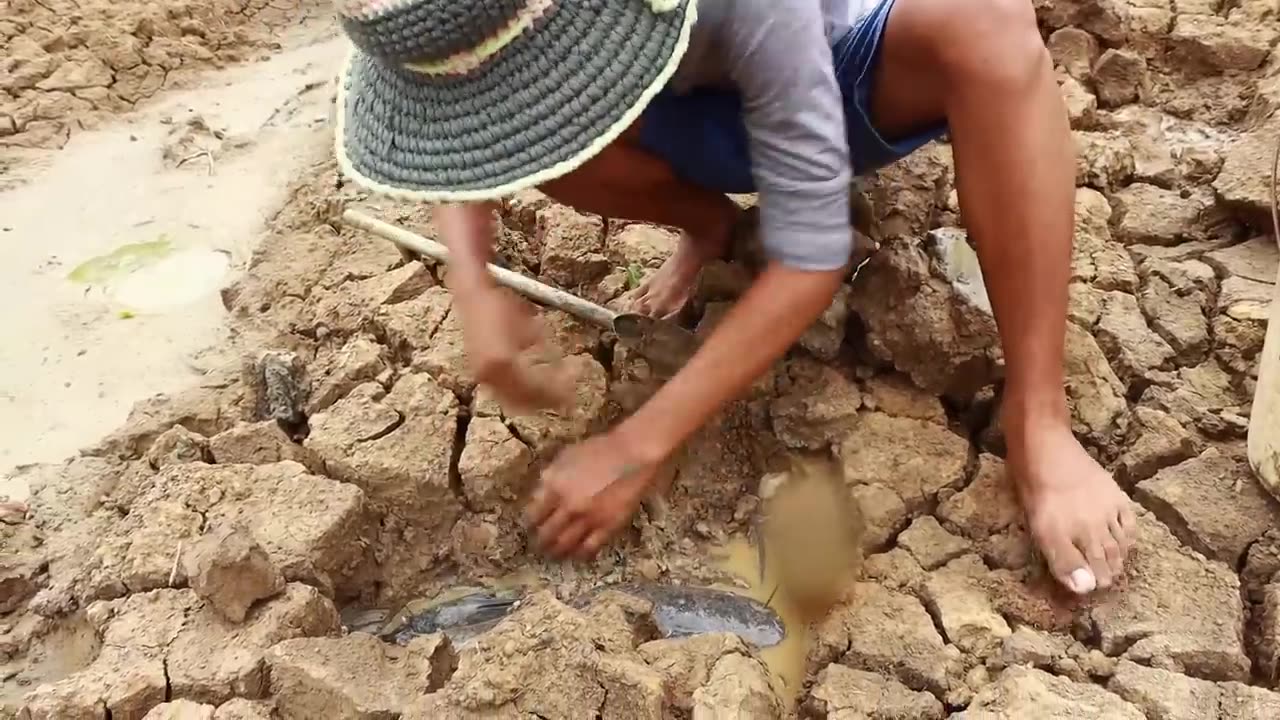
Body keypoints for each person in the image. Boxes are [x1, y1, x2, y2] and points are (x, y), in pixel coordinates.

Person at [332, 0, 1137, 596]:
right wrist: (473, 287)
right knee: (540, 138)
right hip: (681, 99)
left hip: (843, 65)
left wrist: (638, 444)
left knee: (986, 29)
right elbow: (461, 114)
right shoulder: (428, 17)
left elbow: (811, 254)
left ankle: (1039, 417)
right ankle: (709, 227)